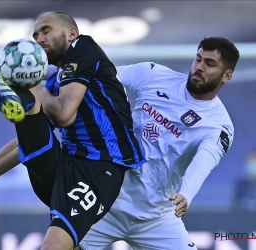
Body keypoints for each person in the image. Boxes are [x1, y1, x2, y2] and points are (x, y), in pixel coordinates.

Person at [0, 11, 145, 250]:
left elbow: (65, 115)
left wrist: (35, 85)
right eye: (36, 35)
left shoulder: (83, 48)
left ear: (71, 34)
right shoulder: (55, 82)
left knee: (55, 246)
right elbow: (21, 146)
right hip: (63, 167)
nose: (39, 39)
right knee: (32, 132)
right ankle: (25, 106)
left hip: (99, 169)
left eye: (46, 31)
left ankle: (25, 98)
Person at [77, 37, 239, 250]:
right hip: (105, 202)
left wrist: (186, 194)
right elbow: (103, 76)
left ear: (227, 75)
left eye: (209, 64)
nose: (199, 67)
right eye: (198, 59)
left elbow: (204, 162)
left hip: (155, 218)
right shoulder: (154, 75)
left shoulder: (219, 126)